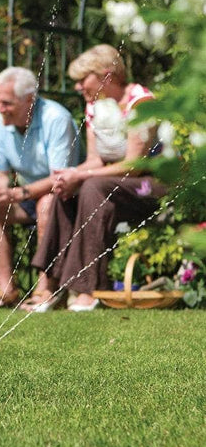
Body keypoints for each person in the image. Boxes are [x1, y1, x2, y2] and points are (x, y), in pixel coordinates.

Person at [29, 44, 166, 312]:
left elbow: (134, 166)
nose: (78, 86)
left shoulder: (141, 103)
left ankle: (87, 288)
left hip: (151, 185)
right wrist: (71, 176)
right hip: (113, 185)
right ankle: (51, 285)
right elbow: (95, 159)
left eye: (83, 79)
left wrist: (82, 175)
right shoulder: (95, 106)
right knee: (66, 190)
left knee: (91, 186)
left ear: (107, 75)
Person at [0, 66, 80, 310]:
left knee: (46, 204)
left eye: (6, 103)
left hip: (67, 196)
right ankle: (7, 290)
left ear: (29, 100)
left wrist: (16, 193)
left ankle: (46, 290)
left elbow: (60, 179)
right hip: (27, 196)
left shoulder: (56, 118)